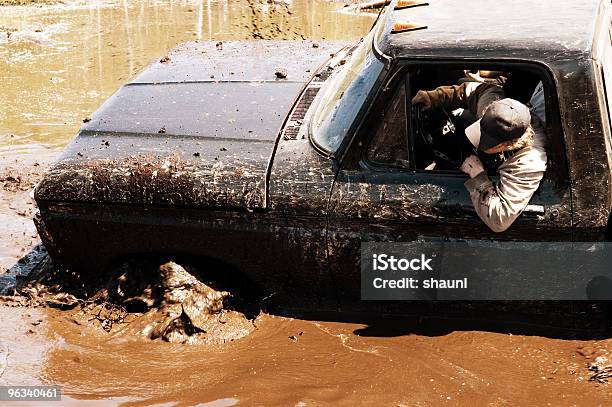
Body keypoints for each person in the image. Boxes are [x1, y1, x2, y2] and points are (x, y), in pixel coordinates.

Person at [412, 81, 547, 233]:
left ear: (508, 144)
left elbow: (499, 219)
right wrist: (434, 97)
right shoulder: (494, 111)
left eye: (487, 141)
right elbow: (478, 90)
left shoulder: (527, 163)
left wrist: (477, 176)